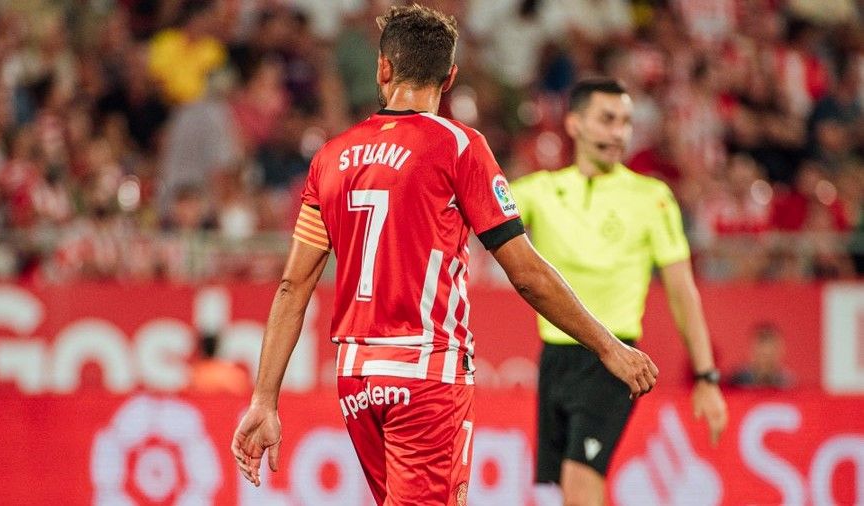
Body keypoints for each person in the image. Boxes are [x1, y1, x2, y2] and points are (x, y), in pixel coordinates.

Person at [230, 6, 658, 505]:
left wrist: (265, 398)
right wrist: (607, 346)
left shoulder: (332, 157)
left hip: (356, 379)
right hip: (426, 373)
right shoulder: (458, 146)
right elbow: (524, 272)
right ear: (450, 77)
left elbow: (292, 286)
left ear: (383, 69)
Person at [510, 77, 728, 505]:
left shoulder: (652, 198)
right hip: (555, 357)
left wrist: (707, 376)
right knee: (562, 489)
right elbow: (476, 210)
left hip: (615, 360)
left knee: (580, 482)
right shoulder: (541, 191)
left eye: (626, 122)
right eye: (607, 120)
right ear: (573, 124)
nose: (618, 133)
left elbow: (683, 291)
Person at [728, 322, 795, 389]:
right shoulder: (735, 381)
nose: (766, 351)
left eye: (772, 348)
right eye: (761, 348)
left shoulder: (788, 383)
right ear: (751, 349)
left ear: (781, 350)